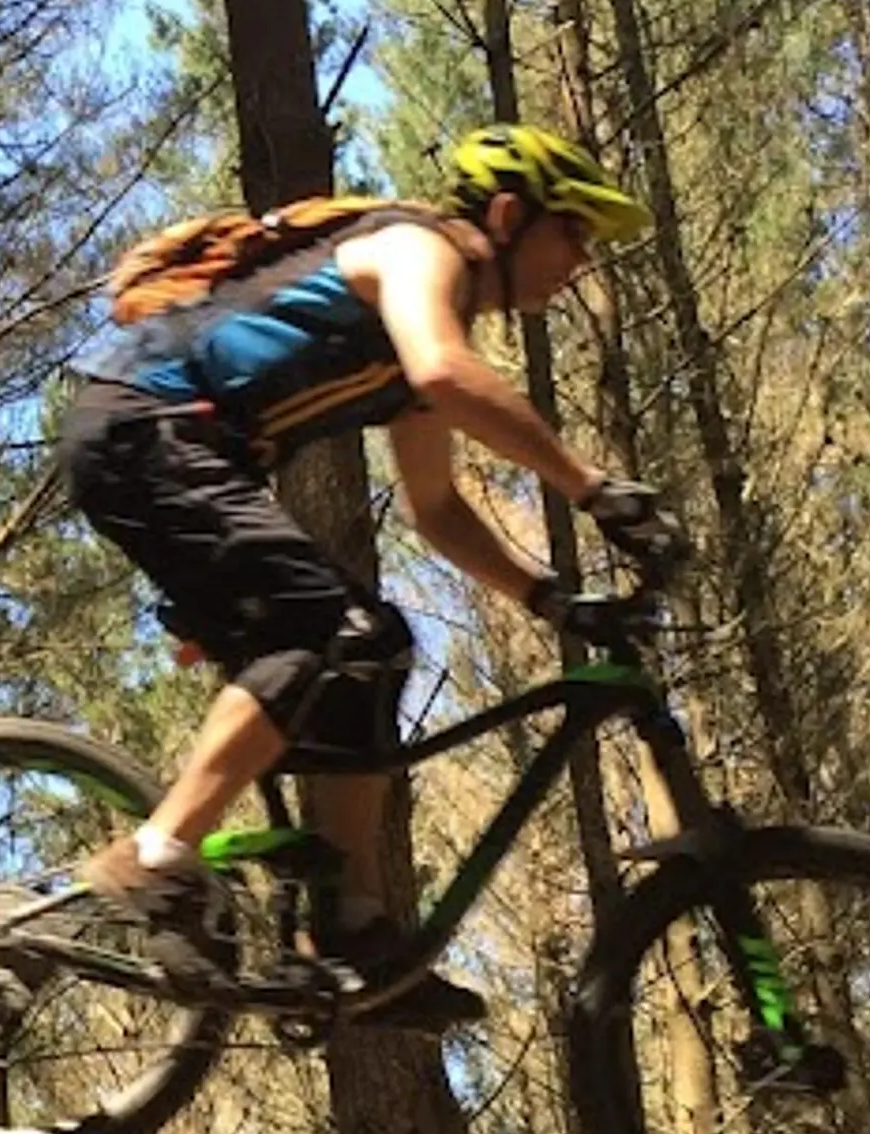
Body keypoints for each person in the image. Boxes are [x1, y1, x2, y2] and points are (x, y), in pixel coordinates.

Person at [54, 120, 680, 1020]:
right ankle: (152, 859)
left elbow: (438, 510)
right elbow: (448, 372)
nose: (580, 259)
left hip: (178, 449)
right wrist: (593, 490)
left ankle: (350, 937)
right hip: (142, 428)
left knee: (372, 645)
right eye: (571, 231)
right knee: (324, 627)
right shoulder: (419, 250)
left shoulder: (433, 322)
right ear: (507, 215)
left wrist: (550, 597)